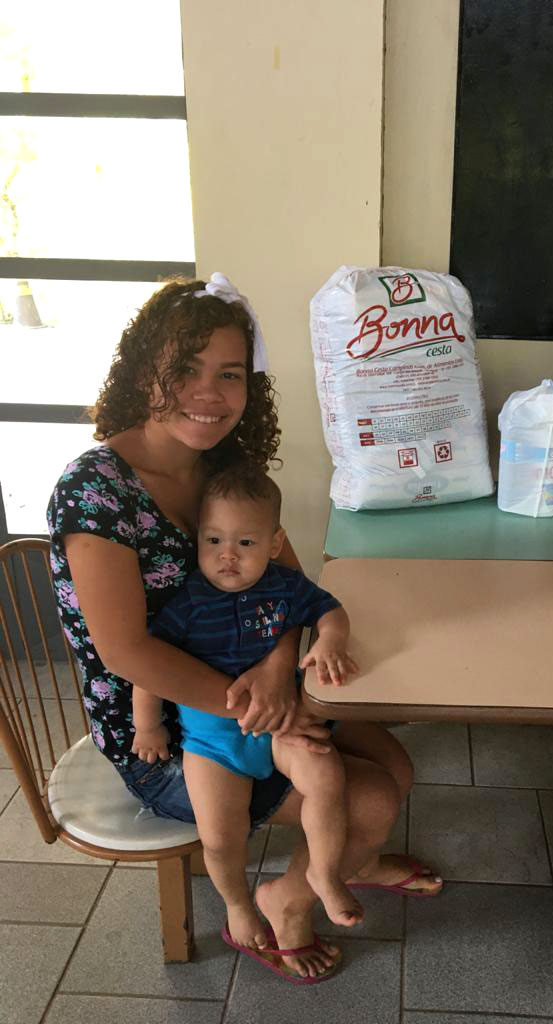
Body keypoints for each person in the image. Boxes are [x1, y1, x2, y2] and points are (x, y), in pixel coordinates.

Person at [47, 274, 442, 984]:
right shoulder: (95, 490)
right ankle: (284, 903)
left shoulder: (225, 471)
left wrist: (276, 665)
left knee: (399, 766)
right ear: (145, 371)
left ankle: (337, 861)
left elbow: (288, 586)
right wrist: (252, 699)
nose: (209, 392)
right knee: (373, 795)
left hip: (258, 692)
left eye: (228, 374)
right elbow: (125, 651)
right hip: (165, 732)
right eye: (186, 370)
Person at [133, 465, 364, 933]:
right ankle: (238, 906)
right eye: (214, 541)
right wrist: (148, 726)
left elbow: (329, 610)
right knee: (219, 836)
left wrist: (330, 641)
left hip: (281, 723)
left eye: (246, 543)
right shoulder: (189, 603)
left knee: (326, 775)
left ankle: (322, 871)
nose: (228, 557)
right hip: (212, 741)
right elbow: (148, 668)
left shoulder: (284, 585)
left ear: (275, 544)